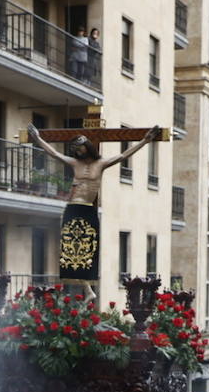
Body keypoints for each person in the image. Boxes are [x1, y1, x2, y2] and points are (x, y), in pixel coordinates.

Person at [26, 122, 160, 288]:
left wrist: (145, 141)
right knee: (70, 249)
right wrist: (37, 138)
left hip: (88, 207)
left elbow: (123, 156)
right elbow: (53, 153)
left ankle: (89, 288)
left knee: (87, 247)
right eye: (76, 149)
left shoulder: (101, 163)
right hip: (73, 206)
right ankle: (87, 289)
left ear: (87, 146)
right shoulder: (75, 163)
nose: (78, 151)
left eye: (80, 148)